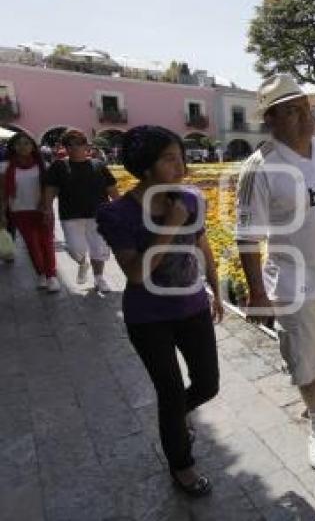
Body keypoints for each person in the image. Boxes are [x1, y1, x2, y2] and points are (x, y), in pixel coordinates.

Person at [235, 74, 315, 473]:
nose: (305, 118)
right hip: (294, 279)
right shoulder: (260, 168)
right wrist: (256, 294)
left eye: (305, 108)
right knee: (306, 356)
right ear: (270, 120)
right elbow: (247, 235)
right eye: (291, 111)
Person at [96, 126, 223, 497]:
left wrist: (216, 290)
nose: (180, 165)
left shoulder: (190, 201)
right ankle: (182, 465)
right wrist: (170, 224)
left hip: (192, 306)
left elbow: (203, 246)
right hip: (148, 317)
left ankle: (176, 419)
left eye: (180, 155)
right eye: (169, 158)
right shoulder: (117, 214)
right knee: (168, 393)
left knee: (208, 383)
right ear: (145, 167)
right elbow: (136, 273)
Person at [42, 130, 119, 292]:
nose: (74, 147)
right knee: (74, 248)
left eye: (78, 143)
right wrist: (47, 208)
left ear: (86, 146)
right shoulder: (59, 165)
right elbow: (51, 188)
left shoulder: (98, 164)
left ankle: (99, 278)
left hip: (99, 215)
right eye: (69, 144)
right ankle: (83, 263)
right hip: (70, 215)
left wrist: (120, 208)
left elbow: (111, 187)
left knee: (99, 248)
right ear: (65, 148)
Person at [2, 133, 59, 291]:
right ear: (13, 147)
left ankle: (52, 276)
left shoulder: (43, 165)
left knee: (46, 243)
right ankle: (41, 274)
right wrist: (2, 214)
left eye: (27, 143)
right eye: (19, 143)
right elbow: (3, 193)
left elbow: (51, 189)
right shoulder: (6, 167)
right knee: (32, 245)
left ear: (33, 147)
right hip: (19, 211)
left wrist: (47, 206)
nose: (23, 146)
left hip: (42, 210)